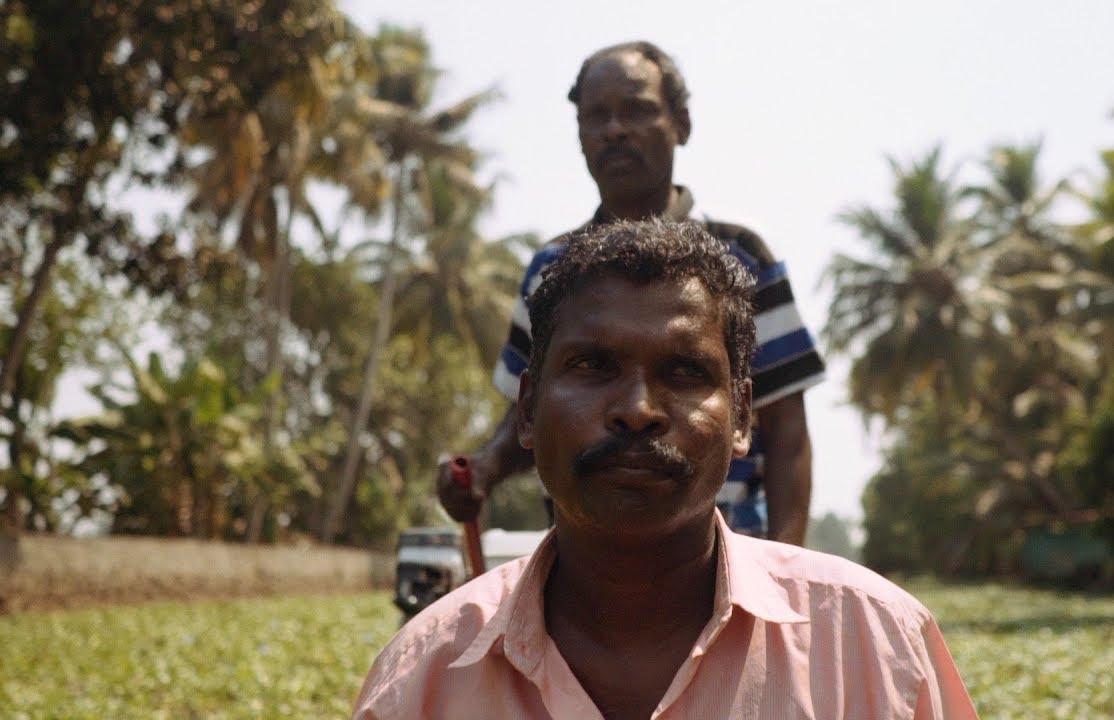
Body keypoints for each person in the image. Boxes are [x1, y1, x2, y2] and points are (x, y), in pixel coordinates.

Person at [354, 220, 978, 719]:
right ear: (526, 410)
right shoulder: (422, 678)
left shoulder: (877, 648)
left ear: (740, 418)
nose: (637, 411)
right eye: (593, 366)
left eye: (684, 373)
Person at [438, 40, 824, 544]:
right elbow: (528, 416)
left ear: (681, 124)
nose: (615, 129)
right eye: (596, 116)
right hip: (587, 567)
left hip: (723, 555)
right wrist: (484, 468)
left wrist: (783, 570)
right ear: (579, 137)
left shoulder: (743, 255)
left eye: (638, 110)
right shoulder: (550, 268)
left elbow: (787, 433)